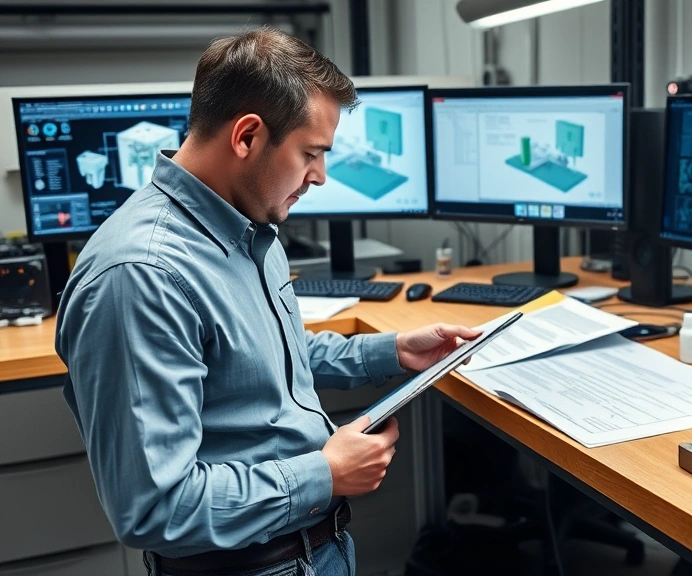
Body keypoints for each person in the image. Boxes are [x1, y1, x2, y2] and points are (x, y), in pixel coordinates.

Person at [55, 27, 480, 576]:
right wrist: (324, 474)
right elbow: (155, 509)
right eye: (311, 153)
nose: (320, 177)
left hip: (317, 550)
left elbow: (262, 356)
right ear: (248, 136)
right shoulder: (141, 276)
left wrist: (392, 351)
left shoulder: (250, 224)